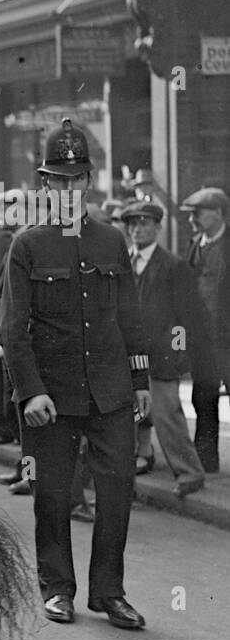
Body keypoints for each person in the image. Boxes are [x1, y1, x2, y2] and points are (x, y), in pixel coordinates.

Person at [0, 118, 150, 630]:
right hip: (53, 395)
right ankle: (57, 587)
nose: (67, 188)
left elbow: (130, 317)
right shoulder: (28, 245)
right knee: (53, 494)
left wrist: (142, 379)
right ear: (46, 184)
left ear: (88, 182)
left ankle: (109, 592)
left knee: (116, 492)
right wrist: (30, 392)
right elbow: (13, 329)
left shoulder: (111, 240)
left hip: (111, 390)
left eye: (76, 179)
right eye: (57, 180)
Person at [122, 200, 211, 497]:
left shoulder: (173, 266)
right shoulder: (125, 264)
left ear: (158, 227)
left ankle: (190, 473)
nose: (137, 229)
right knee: (131, 417)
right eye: (132, 224)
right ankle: (136, 467)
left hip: (163, 358)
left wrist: (177, 352)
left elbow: (187, 318)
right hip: (131, 358)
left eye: (144, 223)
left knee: (167, 416)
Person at [182, 186, 230, 473]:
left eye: (197, 214)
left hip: (228, 339)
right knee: (202, 397)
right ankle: (206, 461)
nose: (192, 220)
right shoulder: (196, 243)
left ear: (218, 213)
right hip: (204, 341)